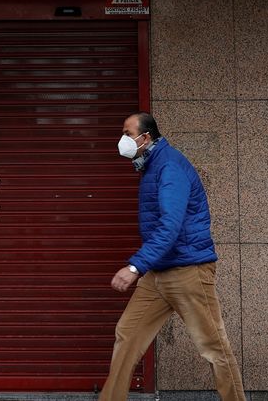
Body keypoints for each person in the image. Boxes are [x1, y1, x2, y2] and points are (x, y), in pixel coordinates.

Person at [98, 112, 246, 401]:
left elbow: (170, 226)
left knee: (213, 347)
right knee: (127, 334)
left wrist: (134, 266)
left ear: (146, 137)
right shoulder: (152, 166)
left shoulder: (170, 167)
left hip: (188, 272)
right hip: (159, 274)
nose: (123, 141)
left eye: (128, 134)